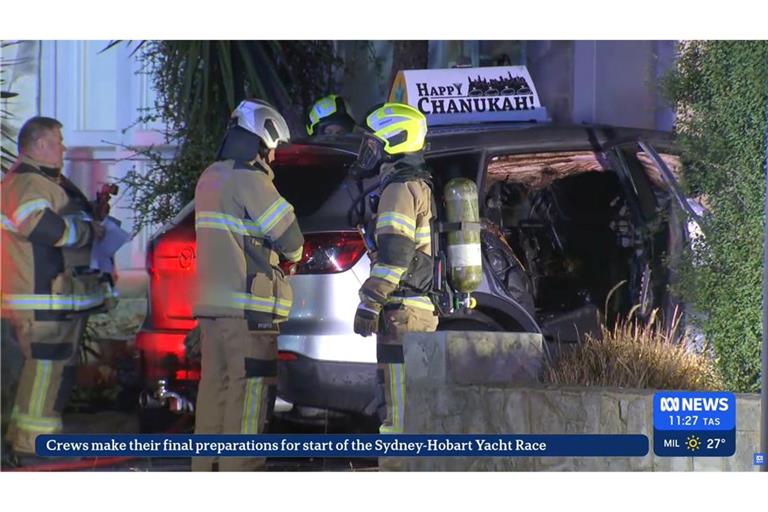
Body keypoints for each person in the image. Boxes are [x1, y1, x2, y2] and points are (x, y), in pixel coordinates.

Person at [192, 99, 303, 471]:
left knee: (215, 391)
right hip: (247, 312)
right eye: (272, 148)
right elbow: (290, 238)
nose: (273, 157)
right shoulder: (250, 179)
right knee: (249, 395)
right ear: (262, 138)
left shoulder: (210, 176)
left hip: (211, 310)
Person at [1, 116, 107, 464]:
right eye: (58, 141)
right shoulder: (28, 183)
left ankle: (26, 447)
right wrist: (86, 231)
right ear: (40, 145)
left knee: (43, 379)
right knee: (44, 378)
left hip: (50, 300)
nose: (63, 147)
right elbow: (40, 225)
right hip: (41, 301)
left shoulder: (40, 181)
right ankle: (33, 452)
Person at [351, 103, 438, 437]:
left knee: (399, 413)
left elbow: (395, 258)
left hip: (403, 314)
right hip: (416, 312)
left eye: (374, 142)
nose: (368, 150)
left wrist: (369, 302)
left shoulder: (399, 190)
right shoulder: (419, 185)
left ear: (395, 140)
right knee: (410, 406)